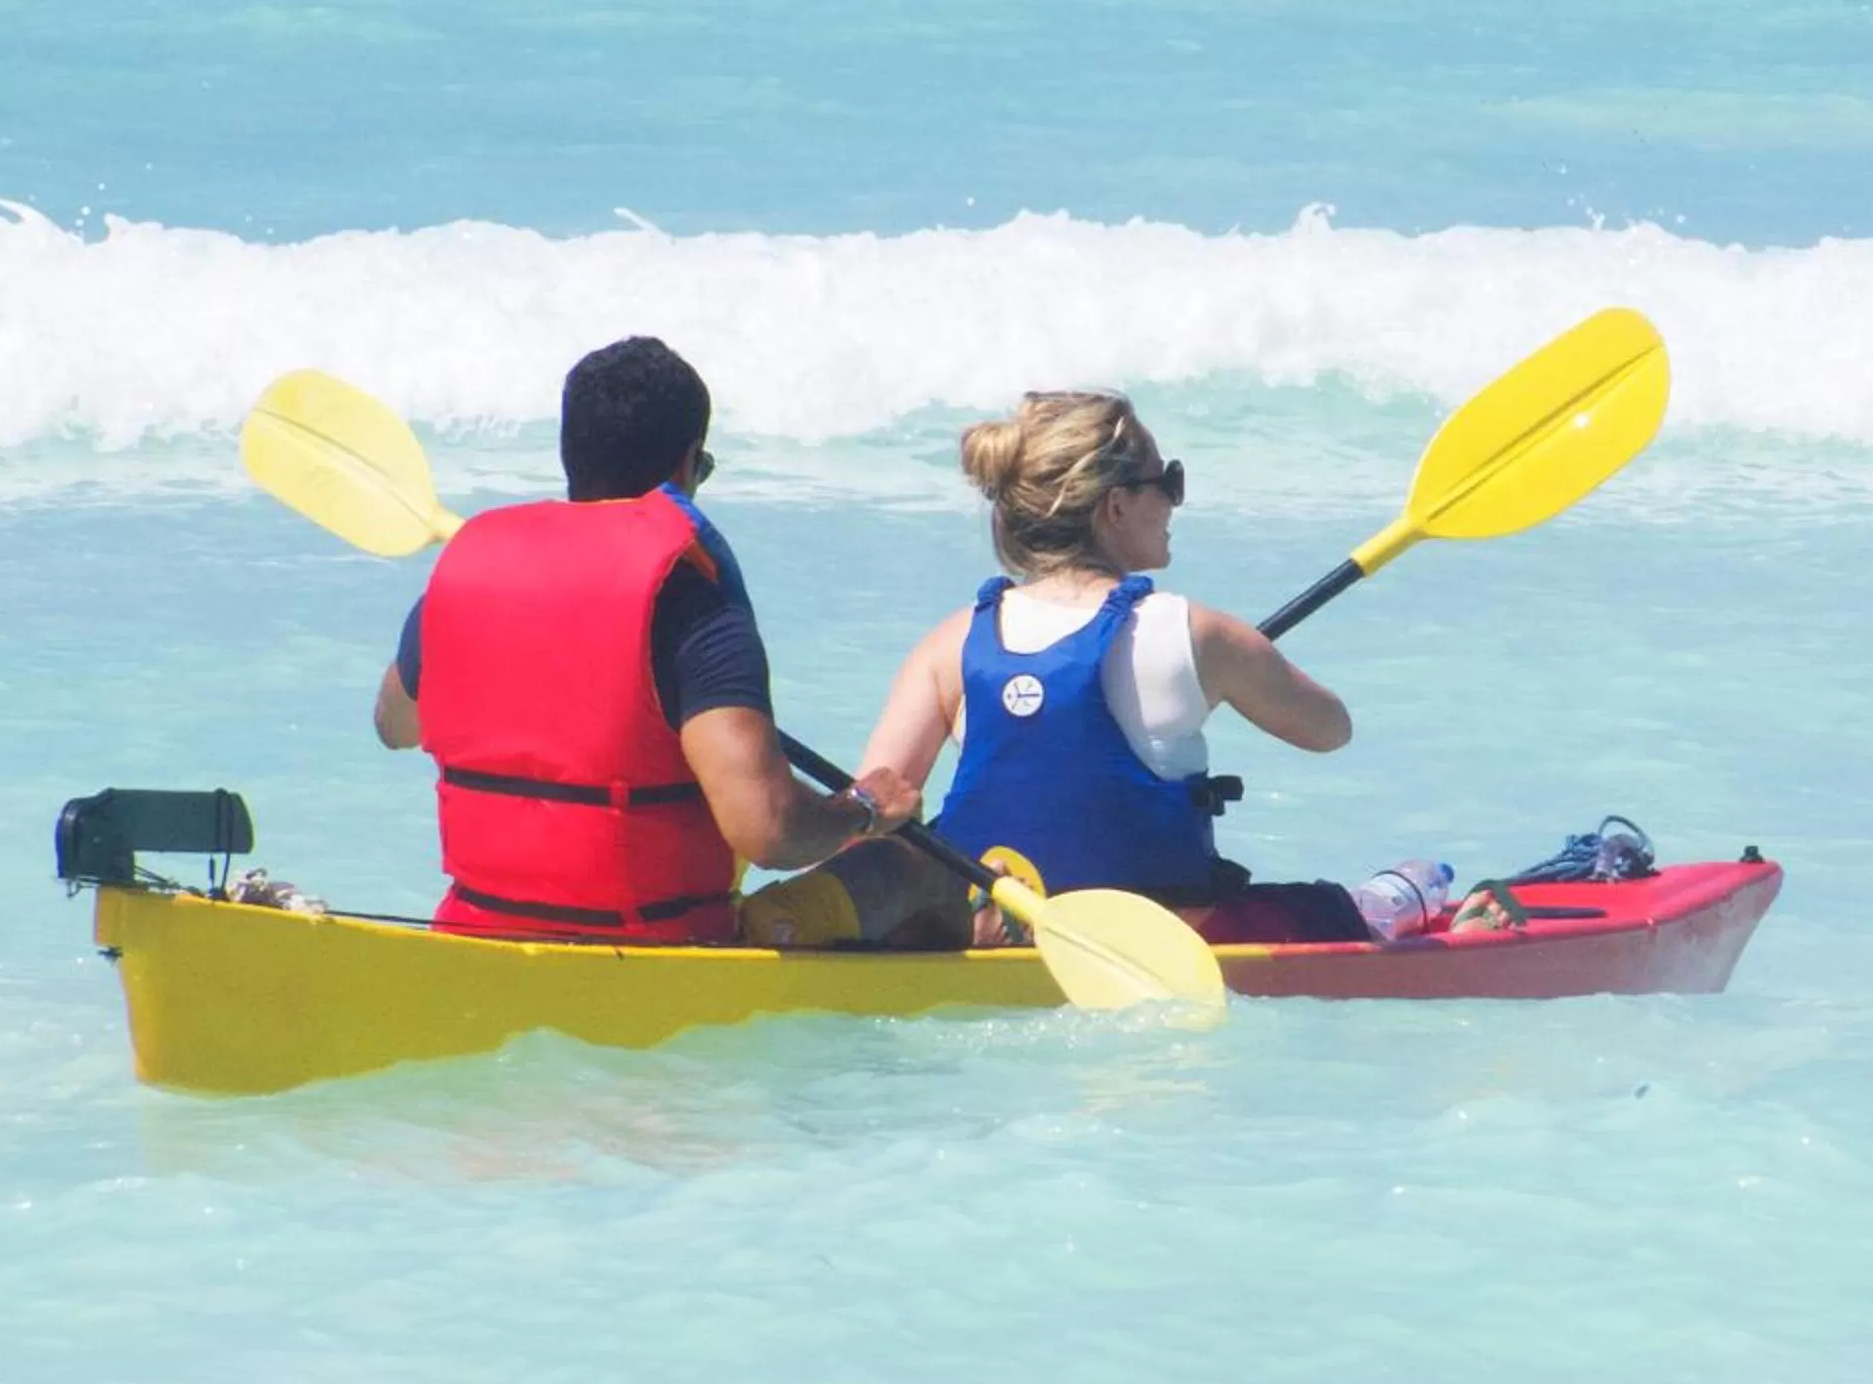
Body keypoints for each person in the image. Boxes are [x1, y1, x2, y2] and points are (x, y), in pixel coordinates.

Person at [372, 336, 915, 942]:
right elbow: (768, 830)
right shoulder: (687, 597)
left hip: (477, 931)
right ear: (686, 464)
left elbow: (396, 725)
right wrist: (862, 809)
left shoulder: (467, 573)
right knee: (907, 870)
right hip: (654, 946)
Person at [835, 388, 1370, 946]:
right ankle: (1405, 899)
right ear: (1115, 507)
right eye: (1170, 483)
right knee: (1328, 908)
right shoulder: (1200, 633)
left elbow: (869, 809)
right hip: (1167, 937)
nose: (1174, 503)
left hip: (993, 930)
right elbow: (1330, 730)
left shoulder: (949, 644)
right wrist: (1238, 665)